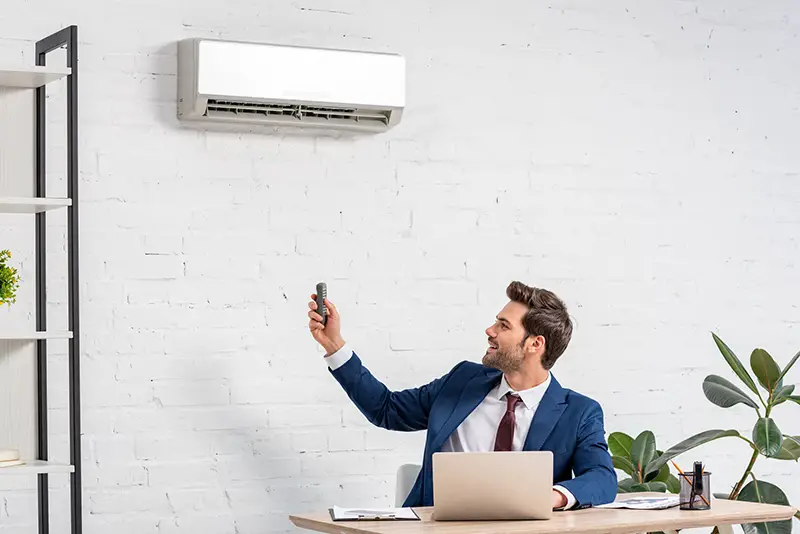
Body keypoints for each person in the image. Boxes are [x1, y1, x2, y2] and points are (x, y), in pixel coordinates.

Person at [307, 281, 617, 510]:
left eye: (503, 325)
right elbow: (386, 409)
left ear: (535, 345)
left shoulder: (579, 412)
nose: (489, 330)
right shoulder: (464, 381)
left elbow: (602, 478)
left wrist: (550, 496)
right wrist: (335, 346)